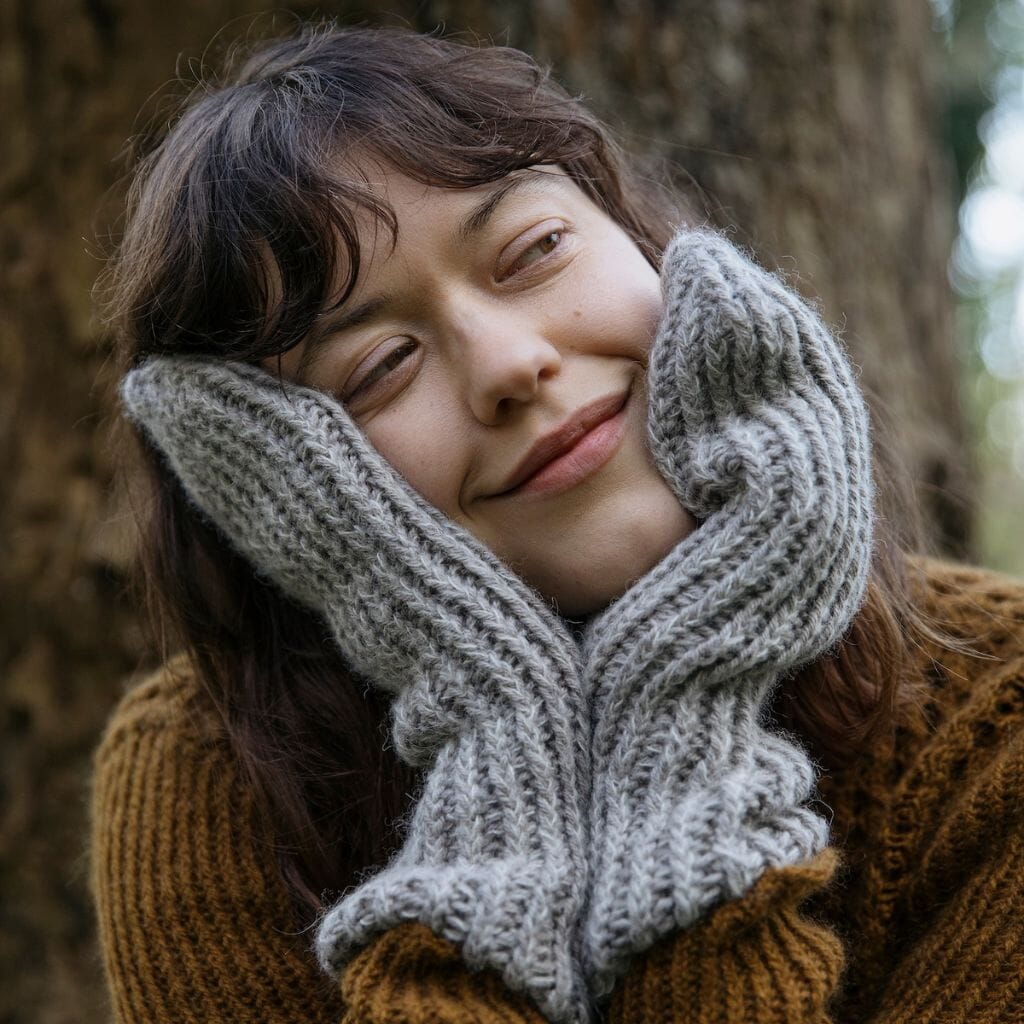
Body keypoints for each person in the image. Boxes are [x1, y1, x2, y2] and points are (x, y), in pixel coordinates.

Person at [90, 21, 1024, 1024]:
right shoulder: (202, 773)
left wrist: (680, 705)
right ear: (270, 479)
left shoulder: (1001, 713)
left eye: (532, 251)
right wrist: (496, 722)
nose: (508, 366)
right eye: (379, 366)